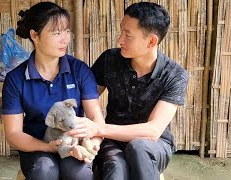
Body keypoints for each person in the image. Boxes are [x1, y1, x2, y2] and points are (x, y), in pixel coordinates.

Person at [68, 2, 188, 180]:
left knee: (139, 147)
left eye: (128, 35)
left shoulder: (175, 75)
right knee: (116, 169)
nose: (120, 40)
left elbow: (153, 131)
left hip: (154, 145)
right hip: (112, 142)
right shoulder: (110, 60)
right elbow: (83, 100)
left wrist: (98, 128)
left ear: (151, 41)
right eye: (121, 31)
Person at [2, 2, 104, 180]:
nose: (65, 39)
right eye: (57, 33)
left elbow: (96, 118)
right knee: (44, 171)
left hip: (74, 143)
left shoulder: (79, 70)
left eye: (66, 31)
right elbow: (13, 134)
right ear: (35, 35)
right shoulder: (16, 79)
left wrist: (93, 144)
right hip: (37, 146)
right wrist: (49, 147)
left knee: (77, 174)